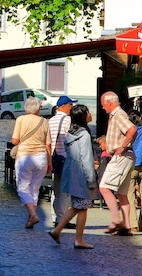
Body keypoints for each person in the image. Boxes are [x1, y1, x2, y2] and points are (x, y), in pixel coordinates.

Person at [48, 104, 97, 249]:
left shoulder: (71, 132)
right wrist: (91, 179)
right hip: (81, 173)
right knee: (83, 207)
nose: (90, 114)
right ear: (83, 115)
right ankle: (79, 239)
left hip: (71, 171)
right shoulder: (85, 135)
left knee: (77, 206)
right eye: (88, 112)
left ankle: (57, 230)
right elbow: (86, 158)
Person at [99, 91, 137, 236]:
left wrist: (122, 147)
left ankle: (116, 220)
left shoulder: (118, 114)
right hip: (127, 155)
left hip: (121, 156)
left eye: (103, 104)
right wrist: (128, 144)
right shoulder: (116, 115)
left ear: (109, 103)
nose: (103, 108)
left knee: (104, 187)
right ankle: (126, 226)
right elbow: (134, 132)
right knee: (122, 193)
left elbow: (132, 129)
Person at [11, 96, 51, 229]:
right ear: (38, 108)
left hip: (24, 156)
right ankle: (30, 219)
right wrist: (49, 162)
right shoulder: (44, 121)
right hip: (41, 157)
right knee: (35, 188)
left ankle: (33, 215)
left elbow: (15, 141)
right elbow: (48, 145)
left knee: (22, 188)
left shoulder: (21, 119)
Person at [49, 95, 78, 226]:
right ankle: (62, 219)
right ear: (65, 106)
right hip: (64, 157)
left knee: (56, 188)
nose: (71, 108)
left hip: (53, 157)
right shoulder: (67, 120)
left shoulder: (51, 120)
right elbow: (70, 139)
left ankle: (55, 216)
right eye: (70, 105)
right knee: (65, 190)